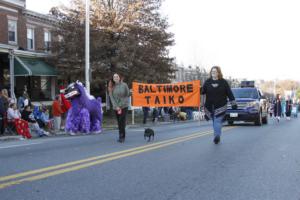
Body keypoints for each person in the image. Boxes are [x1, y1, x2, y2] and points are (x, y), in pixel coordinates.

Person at [201, 66, 237, 144]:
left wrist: (233, 103)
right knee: (214, 121)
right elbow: (203, 92)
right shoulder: (207, 82)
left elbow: (229, 93)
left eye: (215, 71)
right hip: (210, 106)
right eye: (212, 71)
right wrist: (199, 90)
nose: (213, 72)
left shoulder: (223, 82)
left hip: (221, 105)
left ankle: (217, 136)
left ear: (218, 73)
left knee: (217, 120)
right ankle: (216, 135)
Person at [108, 73, 130, 143]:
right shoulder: (111, 86)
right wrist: (116, 106)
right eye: (114, 77)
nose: (116, 78)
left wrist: (131, 92)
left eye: (117, 76)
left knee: (121, 121)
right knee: (119, 122)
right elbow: (111, 97)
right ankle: (121, 134)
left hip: (124, 106)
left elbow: (127, 94)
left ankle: (122, 137)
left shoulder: (124, 85)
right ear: (113, 79)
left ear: (119, 78)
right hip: (116, 107)